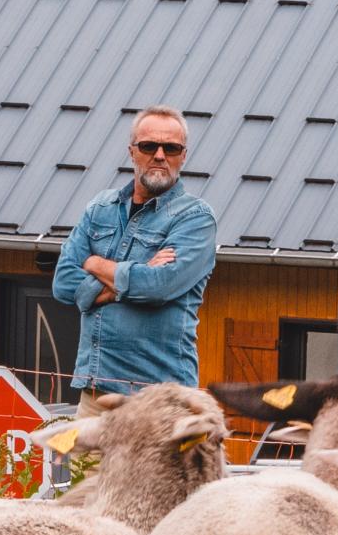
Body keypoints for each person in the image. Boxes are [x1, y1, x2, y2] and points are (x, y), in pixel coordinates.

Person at [53, 105, 219, 396]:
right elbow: (64, 284)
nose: (159, 155)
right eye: (148, 146)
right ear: (132, 152)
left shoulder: (196, 219)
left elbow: (157, 286)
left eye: (170, 148)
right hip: (95, 392)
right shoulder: (100, 208)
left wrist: (93, 264)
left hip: (160, 398)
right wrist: (132, 277)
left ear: (183, 156)